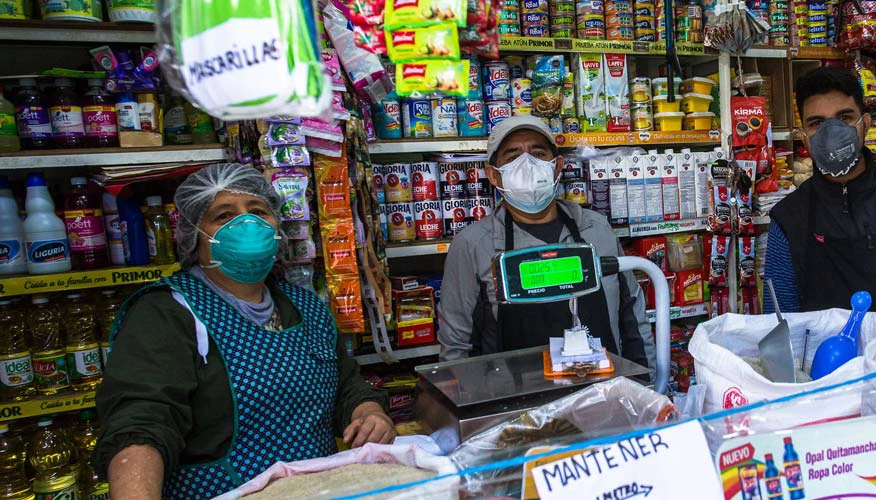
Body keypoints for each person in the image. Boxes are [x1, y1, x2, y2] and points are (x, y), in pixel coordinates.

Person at [94, 164, 395, 499]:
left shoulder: (305, 305)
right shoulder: (167, 312)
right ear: (196, 235)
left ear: (276, 225)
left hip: (319, 490)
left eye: (258, 211)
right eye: (224, 216)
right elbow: (141, 423)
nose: (247, 223)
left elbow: (345, 384)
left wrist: (368, 411)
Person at [437, 115, 655, 370]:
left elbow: (632, 317)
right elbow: (457, 346)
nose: (526, 163)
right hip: (520, 403)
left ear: (557, 166)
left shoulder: (597, 228)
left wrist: (648, 384)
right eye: (512, 156)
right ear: (493, 175)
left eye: (538, 153)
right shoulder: (473, 245)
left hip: (605, 395)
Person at [764, 67, 876, 320]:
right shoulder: (790, 219)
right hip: (827, 358)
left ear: (865, 124)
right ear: (804, 138)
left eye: (844, 117)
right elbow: (778, 319)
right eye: (817, 123)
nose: (831, 131)